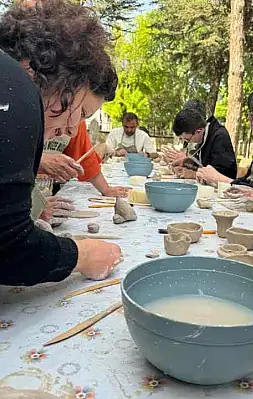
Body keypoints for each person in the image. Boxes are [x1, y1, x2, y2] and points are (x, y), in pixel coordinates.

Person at [0, 0, 121, 285]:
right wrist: (83, 255)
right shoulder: (16, 87)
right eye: (79, 113)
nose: (69, 130)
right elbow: (9, 247)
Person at [44, 120, 130, 197]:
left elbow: (86, 159)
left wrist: (105, 189)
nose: (73, 132)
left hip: (46, 189)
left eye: (83, 116)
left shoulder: (78, 122)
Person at [170, 108, 237, 180]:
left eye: (188, 140)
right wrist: (191, 163)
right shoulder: (205, 134)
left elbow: (223, 174)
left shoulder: (219, 136)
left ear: (198, 131)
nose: (188, 143)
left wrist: (193, 174)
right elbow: (206, 164)